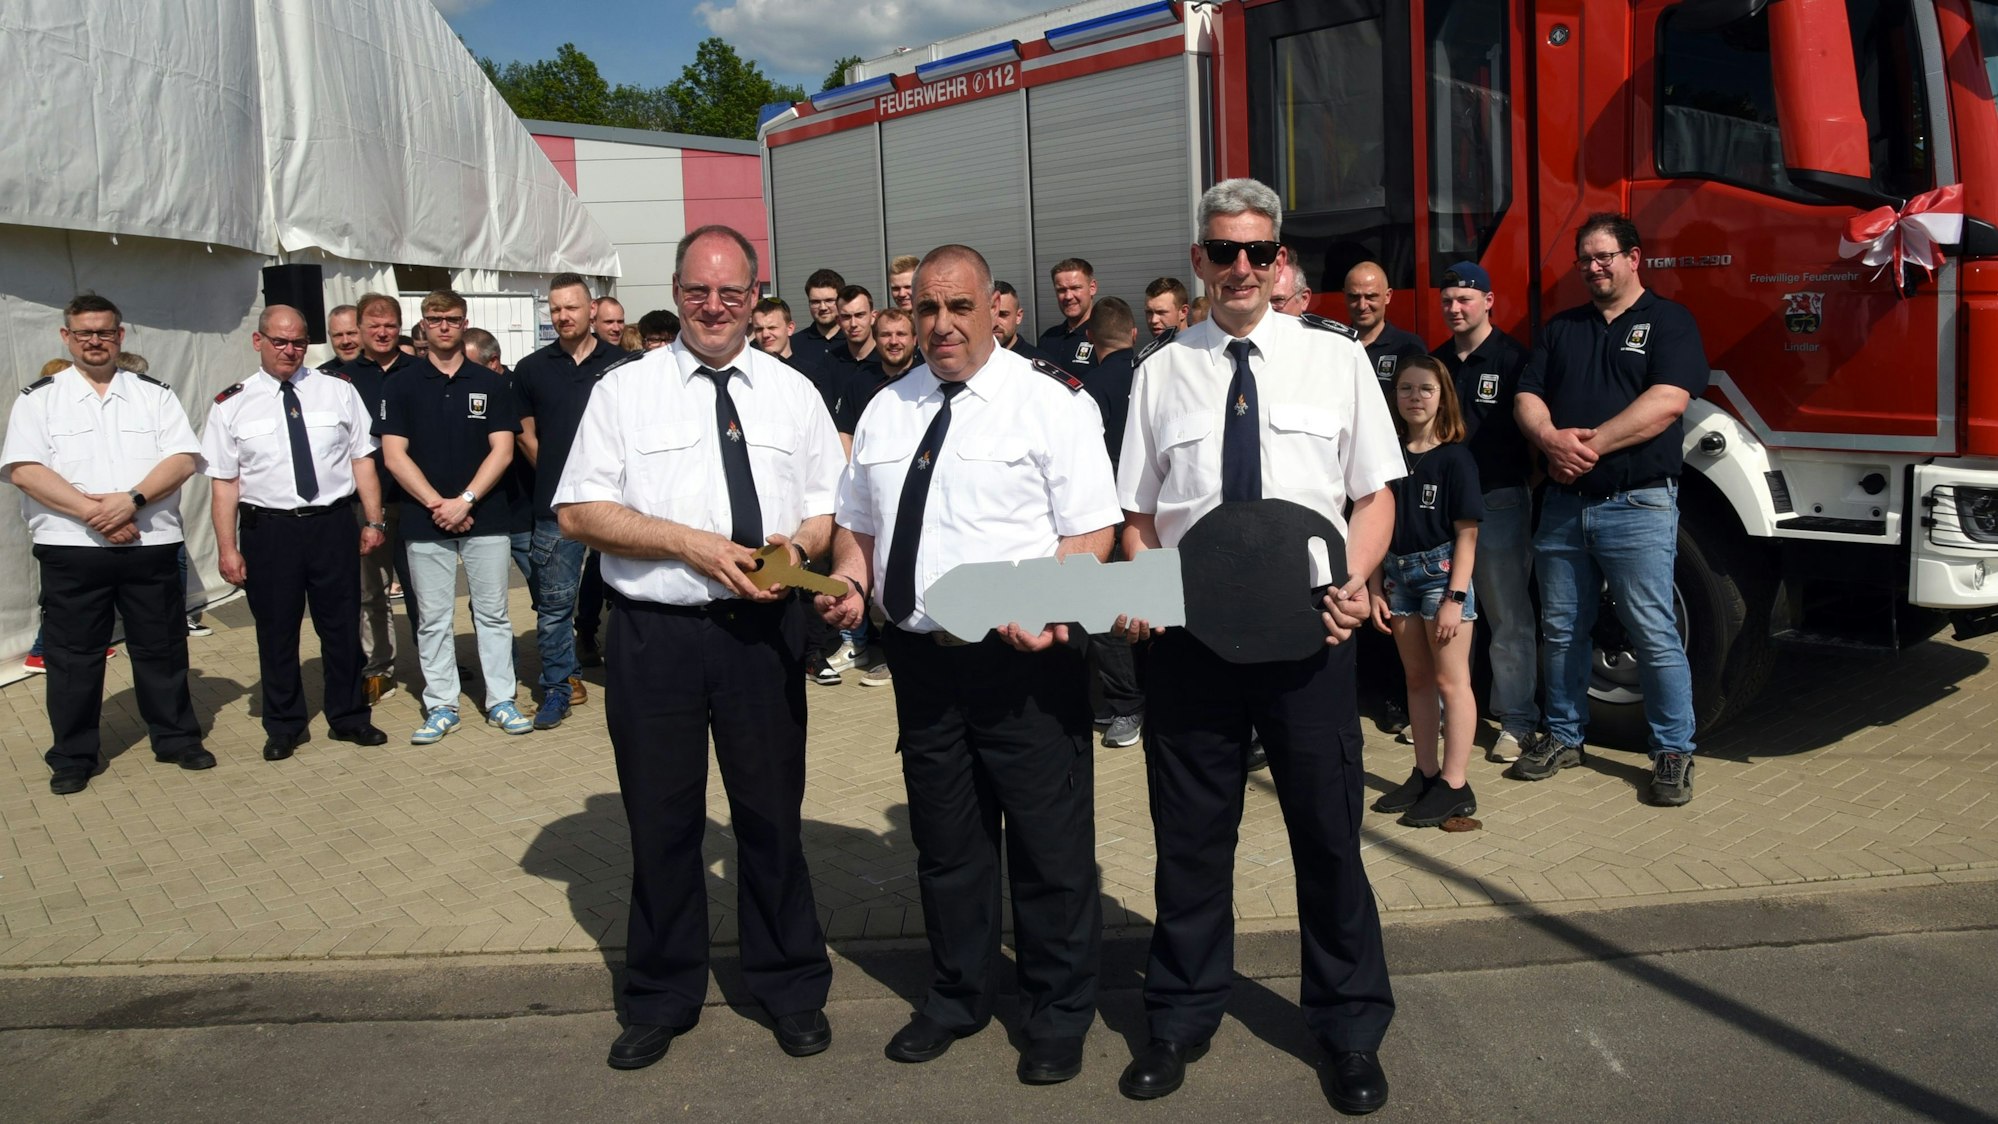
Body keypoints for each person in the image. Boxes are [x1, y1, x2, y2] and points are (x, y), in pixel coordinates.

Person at [1113, 179, 1400, 1113]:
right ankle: (1182, 1016)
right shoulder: (1159, 372)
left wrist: (1355, 583)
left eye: (1257, 252)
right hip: (1194, 648)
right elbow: (1137, 516)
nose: (1240, 267)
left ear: (1279, 261)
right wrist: (1151, 588)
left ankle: (1350, 1028)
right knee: (1191, 843)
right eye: (1222, 251)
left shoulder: (1337, 360)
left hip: (1311, 641)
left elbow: (1375, 495)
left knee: (1327, 839)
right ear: (1198, 259)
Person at [819, 243, 1118, 1086]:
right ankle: (957, 995)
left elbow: (1093, 530)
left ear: (996, 309)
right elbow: (860, 526)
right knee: (948, 846)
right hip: (923, 664)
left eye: (959, 308)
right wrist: (848, 577)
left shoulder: (1050, 402)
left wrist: (1050, 599)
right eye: (926, 310)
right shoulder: (888, 408)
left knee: (1050, 850)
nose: (942, 325)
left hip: (1022, 663)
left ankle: (1058, 1013)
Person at [554, 223, 841, 1071]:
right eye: (696, 291)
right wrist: (693, 545)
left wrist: (797, 548)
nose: (713, 307)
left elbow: (828, 504)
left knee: (769, 819)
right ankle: (661, 995)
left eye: (731, 292)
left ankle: (789, 984)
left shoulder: (794, 392)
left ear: (756, 296)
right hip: (658, 638)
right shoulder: (623, 391)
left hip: (762, 634)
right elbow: (578, 513)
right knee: (662, 824)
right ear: (676, 292)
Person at [1511, 213, 1710, 807]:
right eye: (1585, 260)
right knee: (1562, 629)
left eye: (1604, 257)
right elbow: (1527, 394)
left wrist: (1584, 448)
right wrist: (1548, 440)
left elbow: (1668, 401)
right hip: (1564, 507)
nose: (1594, 268)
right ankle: (1565, 735)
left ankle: (1672, 750)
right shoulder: (1562, 328)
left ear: (1634, 257)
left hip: (1637, 504)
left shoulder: (1670, 322)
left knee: (1653, 631)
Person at [3, 294, 210, 794]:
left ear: (121, 335)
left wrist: (131, 501)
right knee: (74, 657)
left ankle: (176, 737)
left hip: (150, 544)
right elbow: (25, 470)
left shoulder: (154, 395)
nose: (94, 340)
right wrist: (96, 514)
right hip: (72, 549)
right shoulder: (39, 398)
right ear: (66, 337)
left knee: (160, 647)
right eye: (83, 333)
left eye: (104, 331)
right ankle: (73, 755)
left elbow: (182, 459)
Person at [203, 305, 390, 760]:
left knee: (343, 627)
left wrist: (373, 519)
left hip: (331, 525)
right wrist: (227, 548)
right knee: (276, 631)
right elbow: (224, 484)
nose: (290, 350)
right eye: (280, 341)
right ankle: (284, 725)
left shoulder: (337, 391)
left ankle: (349, 717)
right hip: (270, 531)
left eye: (299, 342)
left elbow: (362, 459)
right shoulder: (232, 403)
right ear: (258, 341)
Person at [378, 289, 529, 743]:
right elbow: (393, 455)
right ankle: (441, 704)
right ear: (422, 325)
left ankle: (501, 699)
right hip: (425, 520)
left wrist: (464, 500)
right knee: (433, 618)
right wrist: (437, 505)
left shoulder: (491, 383)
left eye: (452, 318)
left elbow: (502, 451)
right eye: (435, 318)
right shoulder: (400, 384)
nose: (443, 325)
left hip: (485, 515)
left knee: (494, 614)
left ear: (465, 323)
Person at [1366, 355, 1482, 827]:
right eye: (1406, 389)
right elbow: (1373, 525)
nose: (1415, 398)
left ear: (1443, 397)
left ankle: (1455, 785)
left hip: (1440, 577)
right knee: (1415, 680)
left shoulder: (1455, 457)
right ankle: (1425, 773)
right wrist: (1375, 586)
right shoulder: (1387, 455)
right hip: (1397, 579)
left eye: (1426, 390)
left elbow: (1468, 536)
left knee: (1451, 683)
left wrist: (1455, 599)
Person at [1430, 261, 1538, 762]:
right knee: (1450, 616)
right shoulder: (1434, 364)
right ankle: (1451, 714)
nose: (1455, 308)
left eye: (1465, 300)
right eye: (1448, 300)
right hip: (1446, 512)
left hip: (1499, 502)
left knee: (1507, 615)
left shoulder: (1515, 359)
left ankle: (1515, 722)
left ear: (1489, 301)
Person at [515, 273, 630, 730]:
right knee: (554, 605)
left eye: (571, 308)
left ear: (591, 311)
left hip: (618, 506)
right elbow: (524, 432)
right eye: (556, 308)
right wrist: (566, 478)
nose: (563, 316)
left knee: (625, 595)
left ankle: (631, 677)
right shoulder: (531, 368)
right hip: (557, 509)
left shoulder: (623, 365)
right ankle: (559, 687)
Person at [339, 292, 420, 704]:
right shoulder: (339, 379)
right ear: (361, 330)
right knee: (371, 591)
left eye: (390, 324)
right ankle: (378, 668)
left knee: (425, 590)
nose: (383, 332)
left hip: (419, 501)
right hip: (367, 504)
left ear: (399, 325)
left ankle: (433, 665)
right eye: (374, 326)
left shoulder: (423, 372)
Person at [1080, 297, 1144, 749]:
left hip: (1109, 515)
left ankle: (1126, 706)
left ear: (1090, 338)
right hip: (1155, 517)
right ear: (1134, 333)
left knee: (1107, 615)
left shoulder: (1086, 390)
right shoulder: (1154, 375)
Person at [1343, 261, 1428, 399]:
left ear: (1387, 296)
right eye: (1354, 297)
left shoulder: (1409, 347)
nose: (1362, 305)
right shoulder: (1334, 345)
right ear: (1345, 296)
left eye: (1371, 297)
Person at [1038, 257, 1099, 367]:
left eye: (1075, 288)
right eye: (1061, 290)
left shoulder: (1104, 337)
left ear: (1092, 288)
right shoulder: (1048, 338)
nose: (1068, 296)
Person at [791, 268, 846, 367]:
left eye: (829, 300)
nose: (823, 307)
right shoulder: (793, 344)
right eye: (816, 302)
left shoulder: (854, 341)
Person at [992, 281, 1046, 362]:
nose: (995, 323)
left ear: (1018, 317)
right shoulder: (970, 364)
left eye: (1003, 314)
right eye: (989, 315)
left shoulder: (1039, 365)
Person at [750, 298, 800, 366]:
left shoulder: (810, 373)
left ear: (790, 328)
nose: (765, 335)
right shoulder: (750, 372)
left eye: (772, 328)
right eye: (759, 329)